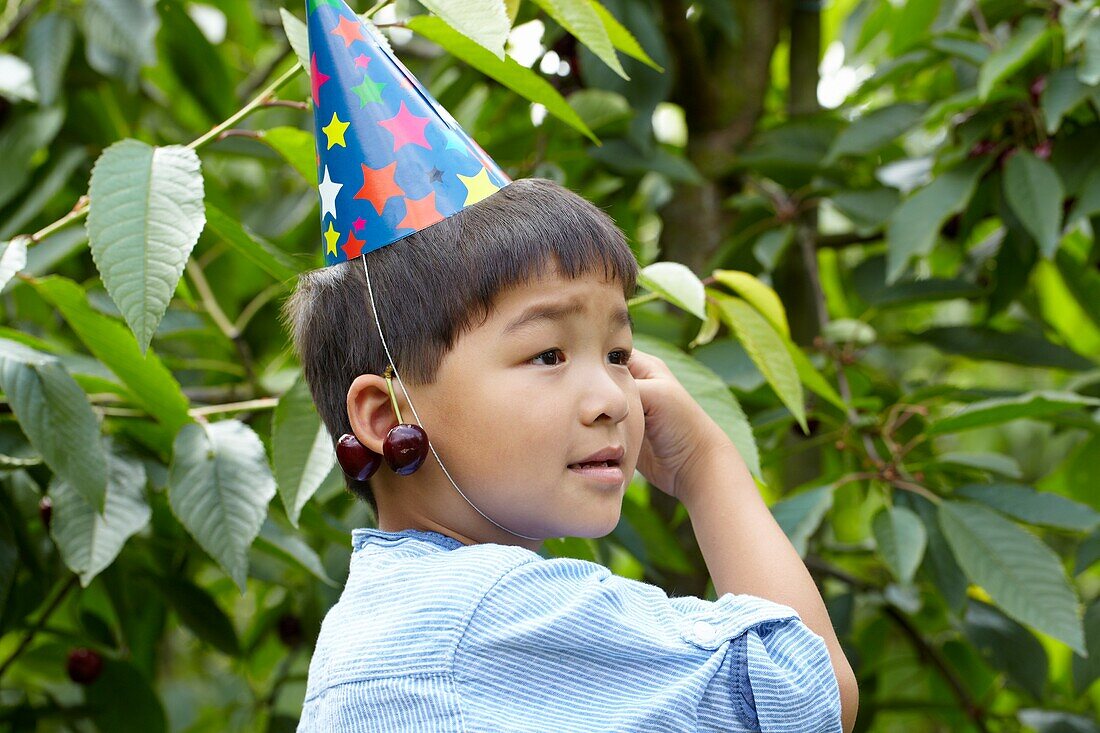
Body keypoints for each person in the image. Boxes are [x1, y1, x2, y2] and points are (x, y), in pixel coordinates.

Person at [282, 0, 858, 730]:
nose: (614, 397)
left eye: (618, 353)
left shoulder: (379, 619)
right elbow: (806, 696)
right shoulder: (500, 612)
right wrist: (708, 466)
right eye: (548, 353)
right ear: (386, 414)